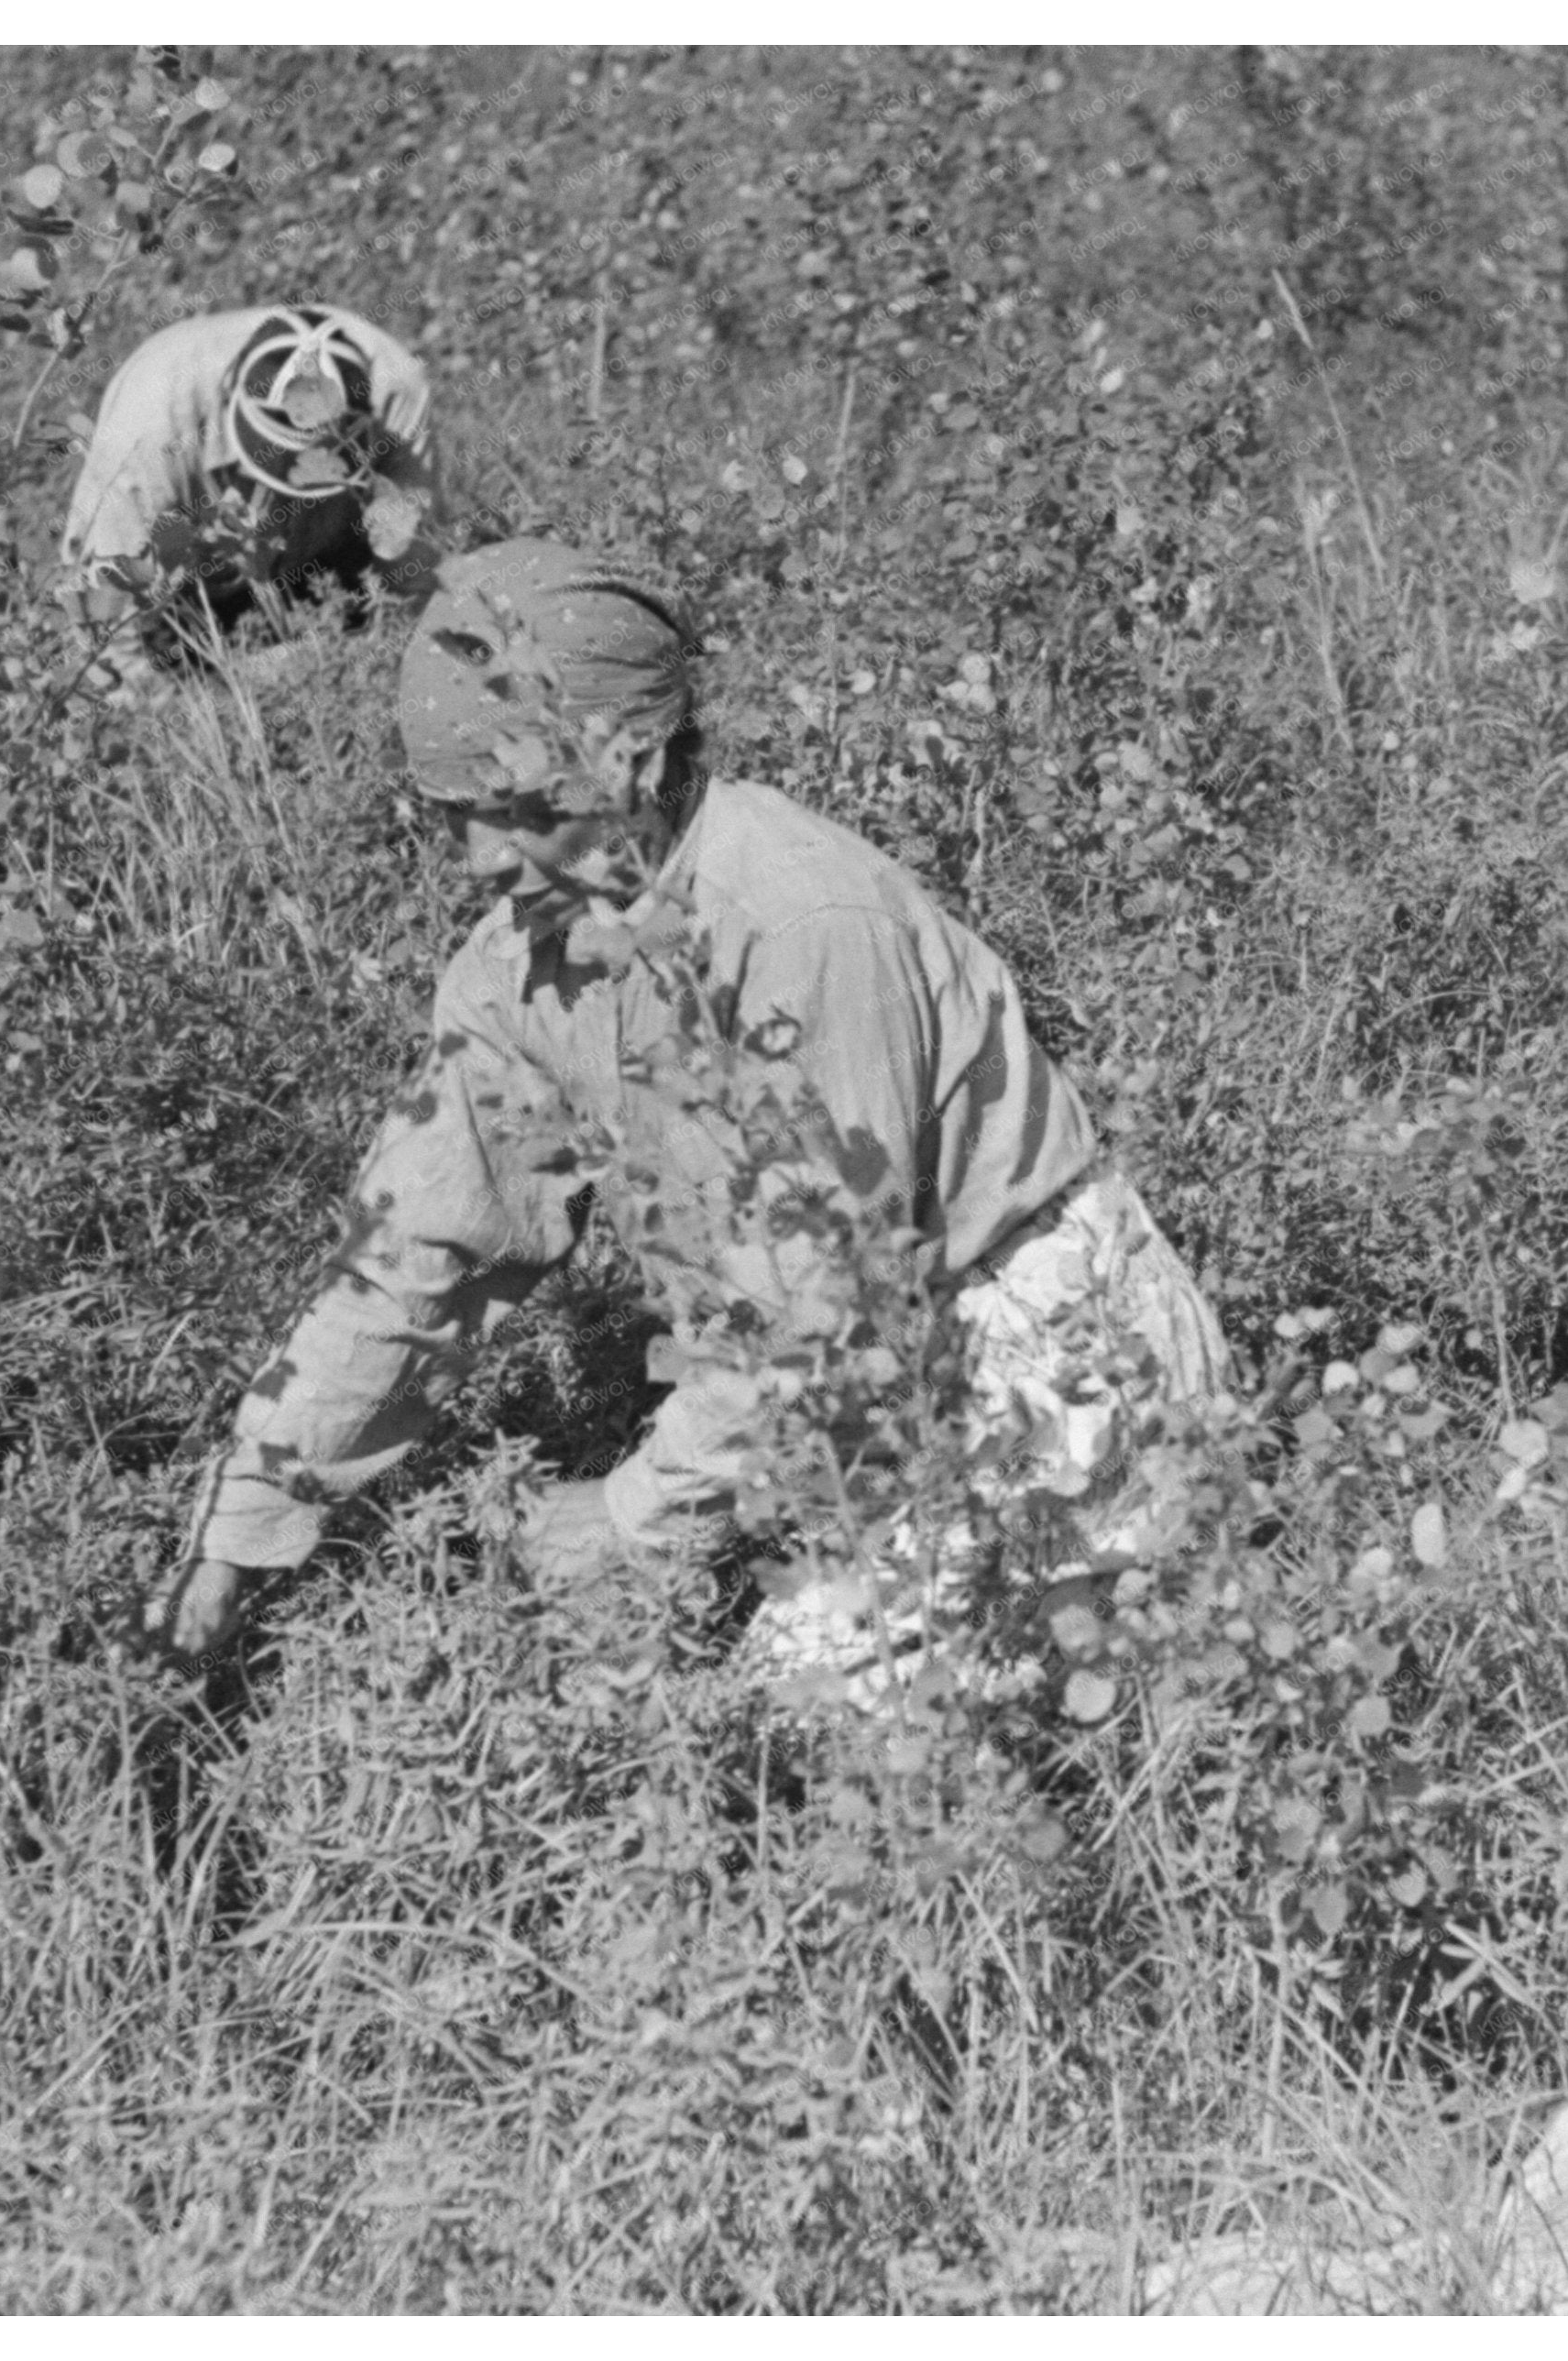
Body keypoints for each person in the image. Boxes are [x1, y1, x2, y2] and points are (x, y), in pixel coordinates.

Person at [137, 540, 1229, 1701]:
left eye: (515, 807)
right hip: (833, 1373)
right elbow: (410, 1255)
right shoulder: (518, 965)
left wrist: (630, 1514)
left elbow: (827, 1312)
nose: (479, 859)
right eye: (453, 815)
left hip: (1030, 1338)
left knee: (801, 1722)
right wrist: (236, 1533)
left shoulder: (796, 924)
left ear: (634, 762)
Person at [60, 302, 445, 663]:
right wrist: (155, 696)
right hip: (196, 587)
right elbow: (105, 612)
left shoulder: (394, 383)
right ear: (232, 398)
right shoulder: (149, 426)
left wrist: (395, 654)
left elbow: (415, 566)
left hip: (325, 562)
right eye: (280, 465)